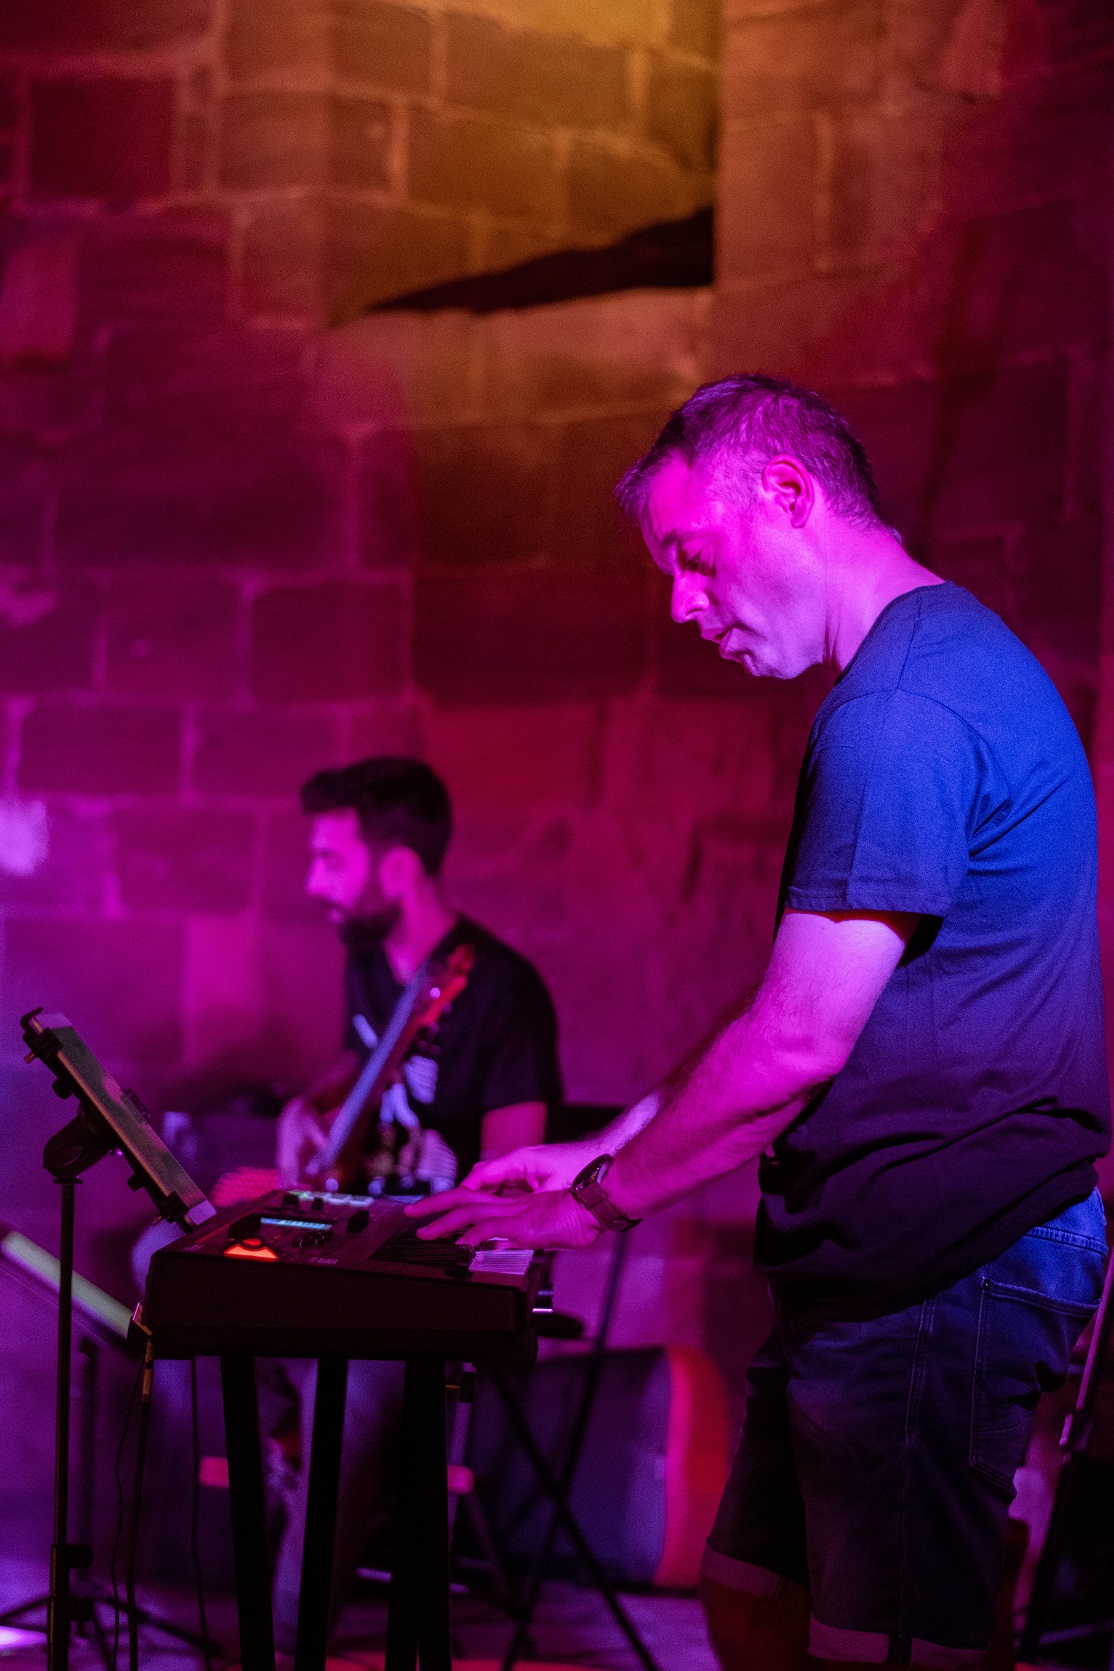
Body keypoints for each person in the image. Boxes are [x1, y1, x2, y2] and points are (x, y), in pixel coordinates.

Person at [407, 376, 1111, 1670]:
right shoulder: (917, 672)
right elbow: (789, 1004)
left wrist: (597, 1206)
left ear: (787, 494)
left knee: (881, 1647)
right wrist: (601, 1143)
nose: (681, 605)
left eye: (691, 556)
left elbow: (796, 1045)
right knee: (746, 1598)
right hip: (880, 1271)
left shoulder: (900, 709)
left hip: (941, 1267)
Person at [265, 755, 562, 1651]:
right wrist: (308, 1103)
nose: (312, 881)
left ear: (396, 868)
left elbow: (512, 1181)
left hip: (435, 1277)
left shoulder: (505, 992)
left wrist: (403, 1235)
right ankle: (291, 1443)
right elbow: (361, 1060)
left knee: (349, 1377)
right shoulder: (366, 962)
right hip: (348, 1251)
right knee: (166, 1269)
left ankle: (284, 1638)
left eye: (329, 859)